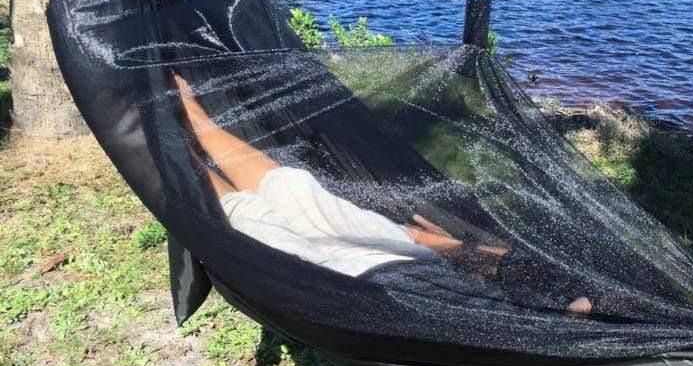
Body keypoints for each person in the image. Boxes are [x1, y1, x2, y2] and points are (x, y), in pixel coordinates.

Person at [173, 73, 592, 316]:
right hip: (414, 263)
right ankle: (195, 122)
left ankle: (180, 153)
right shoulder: (593, 283)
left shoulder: (563, 333)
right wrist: (446, 246)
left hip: (363, 297)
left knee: (257, 223)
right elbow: (523, 267)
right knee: (299, 193)